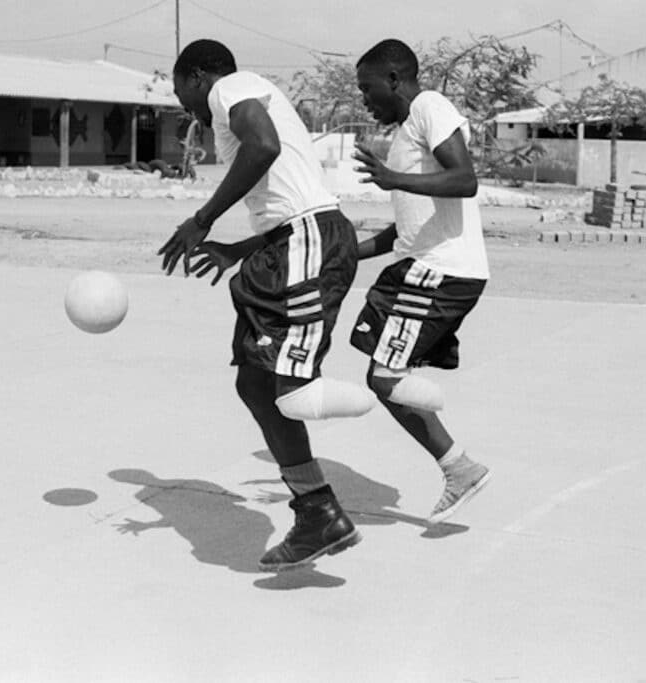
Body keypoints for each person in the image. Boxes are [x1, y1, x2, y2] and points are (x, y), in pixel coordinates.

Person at [158, 39, 374, 572]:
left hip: (306, 243)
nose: (185, 107)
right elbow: (286, 203)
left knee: (288, 385)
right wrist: (235, 249)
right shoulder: (242, 96)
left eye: (180, 90)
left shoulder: (232, 87)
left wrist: (203, 218)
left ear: (196, 76)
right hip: (290, 243)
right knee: (254, 382)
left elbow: (265, 146)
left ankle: (370, 392)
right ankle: (317, 509)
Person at [350, 39, 491, 523]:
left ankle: (460, 467)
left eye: (367, 89)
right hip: (422, 266)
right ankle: (460, 467)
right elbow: (406, 230)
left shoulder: (431, 106)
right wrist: (349, 253)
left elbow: (464, 179)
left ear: (394, 79)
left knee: (384, 377)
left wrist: (393, 178)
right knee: (378, 370)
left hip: (441, 271)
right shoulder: (404, 135)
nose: (364, 101)